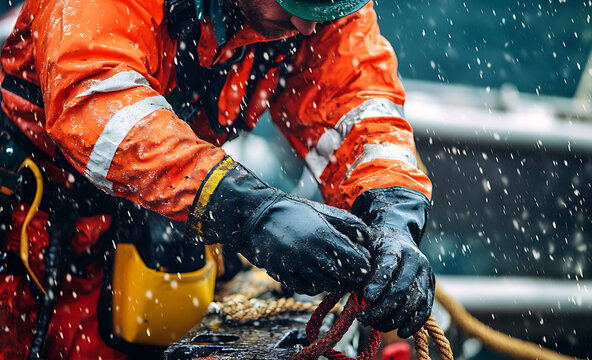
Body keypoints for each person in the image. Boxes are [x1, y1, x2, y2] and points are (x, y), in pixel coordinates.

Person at [0, 0, 435, 358]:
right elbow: (97, 109)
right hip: (29, 243)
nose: (306, 24)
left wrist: (393, 214)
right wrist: (252, 213)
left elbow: (362, 113)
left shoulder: (325, 10)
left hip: (149, 235)